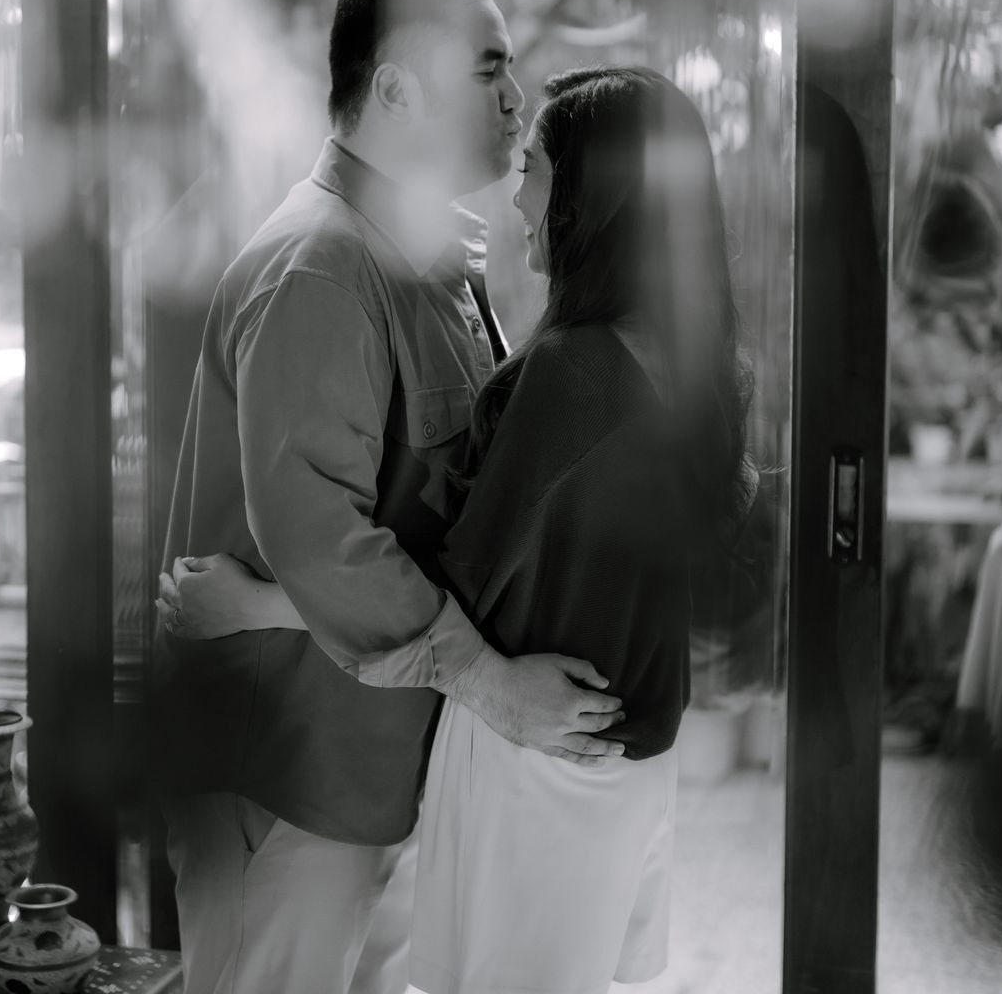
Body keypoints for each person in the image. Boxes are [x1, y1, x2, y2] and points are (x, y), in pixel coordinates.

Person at [163, 65, 759, 994]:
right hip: (629, 757)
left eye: (534, 169)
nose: (519, 196)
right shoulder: (696, 364)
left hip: (542, 758)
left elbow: (455, 579)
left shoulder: (576, 375)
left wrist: (253, 606)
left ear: (591, 196)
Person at [148, 0, 630, 994]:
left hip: (381, 770)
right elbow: (328, 542)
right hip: (292, 779)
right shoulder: (322, 268)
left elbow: (460, 519)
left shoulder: (423, 259)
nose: (515, 99)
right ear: (399, 89)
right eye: (489, 68)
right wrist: (491, 683)